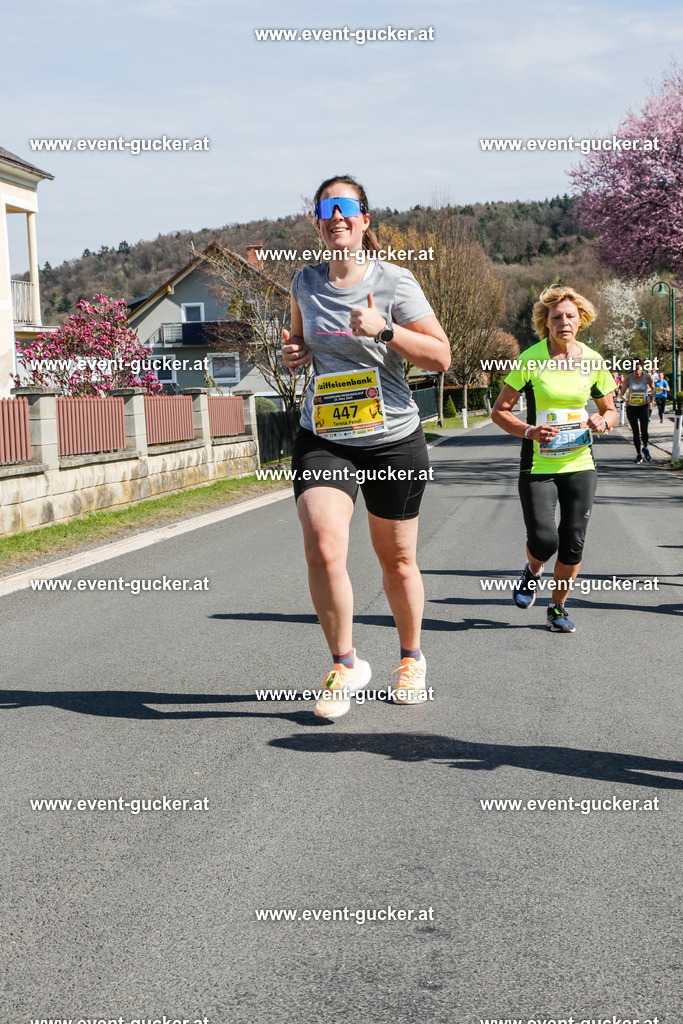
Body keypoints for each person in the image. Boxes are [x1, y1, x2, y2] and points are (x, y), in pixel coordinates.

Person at [281, 175, 450, 718]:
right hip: (325, 434)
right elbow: (298, 341)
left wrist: (385, 331)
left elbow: (441, 357)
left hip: (391, 438)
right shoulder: (304, 282)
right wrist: (295, 354)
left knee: (396, 560)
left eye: (346, 207)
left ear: (364, 219)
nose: (336, 217)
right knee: (323, 544)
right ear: (318, 222)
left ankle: (411, 657)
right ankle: (345, 663)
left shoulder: (396, 281)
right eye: (326, 208)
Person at [491, 285, 617, 633]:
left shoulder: (592, 360)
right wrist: (530, 431)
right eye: (557, 317)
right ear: (545, 322)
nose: (564, 322)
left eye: (570, 316)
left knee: (573, 540)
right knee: (545, 541)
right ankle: (532, 571)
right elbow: (500, 411)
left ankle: (557, 607)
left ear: (581, 320)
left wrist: (603, 422)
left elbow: (609, 409)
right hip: (538, 465)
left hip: (580, 463)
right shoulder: (530, 360)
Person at [621, 359, 655, 463]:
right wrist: (626, 400)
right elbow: (622, 394)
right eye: (635, 369)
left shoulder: (647, 377)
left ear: (642, 368)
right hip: (631, 408)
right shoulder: (628, 378)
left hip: (643, 407)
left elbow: (654, 388)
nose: (638, 371)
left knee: (644, 430)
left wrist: (650, 396)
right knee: (635, 432)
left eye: (639, 368)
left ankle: (645, 448)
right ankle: (639, 454)